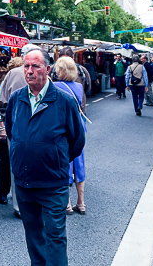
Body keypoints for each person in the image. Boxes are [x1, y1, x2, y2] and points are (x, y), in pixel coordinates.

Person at [5, 49, 85, 266]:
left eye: (35, 66)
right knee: (33, 236)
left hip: (53, 183)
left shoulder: (64, 101)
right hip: (24, 182)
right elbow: (12, 132)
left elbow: (77, 140)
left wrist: (55, 159)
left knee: (55, 237)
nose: (29, 71)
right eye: (26, 66)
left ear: (48, 69)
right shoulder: (16, 98)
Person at [0, 44, 41, 216]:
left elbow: (2, 103)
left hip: (17, 127)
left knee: (17, 165)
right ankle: (35, 201)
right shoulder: (44, 73)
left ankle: (19, 206)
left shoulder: (12, 74)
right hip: (38, 126)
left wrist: (6, 125)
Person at [52, 56, 87, 217]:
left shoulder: (54, 86)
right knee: (79, 164)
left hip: (62, 127)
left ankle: (67, 203)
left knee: (64, 162)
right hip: (78, 126)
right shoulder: (79, 86)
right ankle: (81, 202)